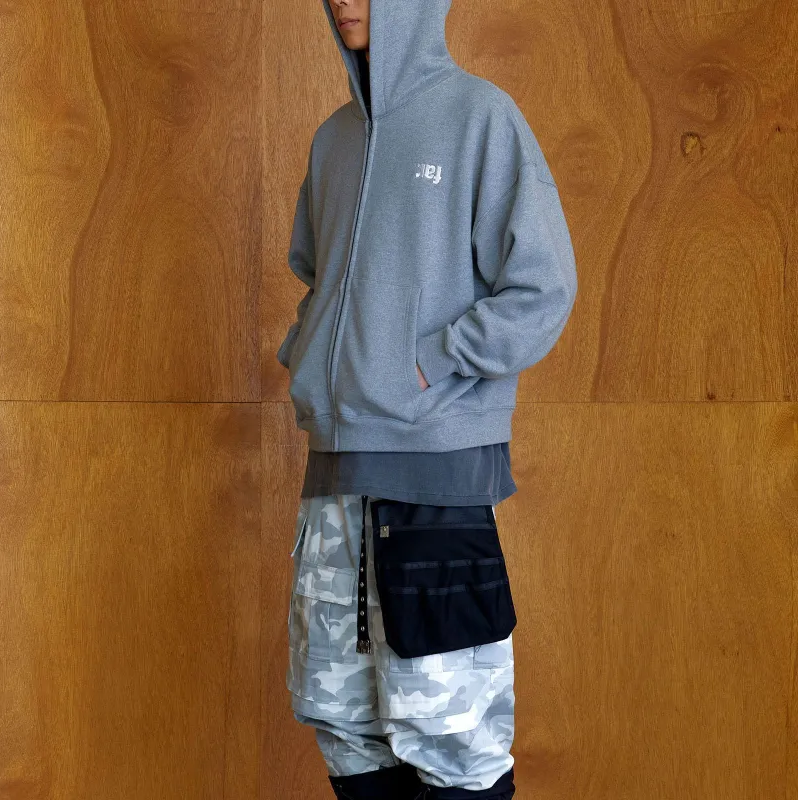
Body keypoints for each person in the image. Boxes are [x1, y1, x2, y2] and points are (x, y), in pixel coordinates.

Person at [276, 1, 578, 798]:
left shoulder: (479, 118)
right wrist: (309, 358)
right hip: (334, 478)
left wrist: (427, 363)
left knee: (452, 738)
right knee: (343, 725)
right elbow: (319, 280)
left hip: (436, 481)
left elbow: (542, 288)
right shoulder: (333, 140)